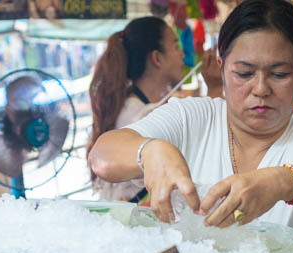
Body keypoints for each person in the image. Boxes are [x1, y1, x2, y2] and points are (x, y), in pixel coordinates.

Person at [88, 0, 293, 237]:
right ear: (221, 67)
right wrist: (148, 151)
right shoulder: (191, 117)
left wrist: (284, 181)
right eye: (243, 73)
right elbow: (102, 156)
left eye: (279, 74)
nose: (260, 89)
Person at [87, 17, 222, 201]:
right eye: (176, 47)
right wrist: (214, 89)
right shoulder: (140, 115)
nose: (183, 55)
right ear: (157, 58)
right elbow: (201, 156)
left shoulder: (134, 104)